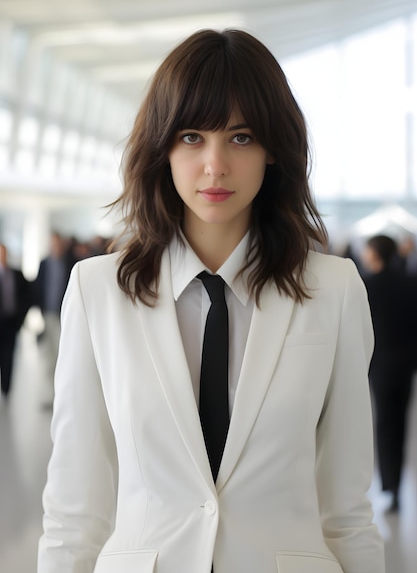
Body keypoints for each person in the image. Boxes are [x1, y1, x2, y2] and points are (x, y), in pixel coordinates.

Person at [38, 29, 384, 573]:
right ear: (162, 147)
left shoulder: (333, 290)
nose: (215, 166)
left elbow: (347, 512)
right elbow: (74, 512)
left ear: (273, 149)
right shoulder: (98, 289)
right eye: (193, 137)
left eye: (241, 137)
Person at [361, 234, 417, 513]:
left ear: (375, 253)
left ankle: (391, 486)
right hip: (405, 365)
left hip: (380, 364)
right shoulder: (410, 282)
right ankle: (396, 490)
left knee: (384, 425)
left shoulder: (367, 285)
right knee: (401, 423)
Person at [34, 232, 74, 407]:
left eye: (58, 243)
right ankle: (52, 395)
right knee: (49, 356)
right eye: (53, 244)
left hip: (64, 316)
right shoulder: (44, 264)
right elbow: (38, 287)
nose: (55, 247)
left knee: (63, 355)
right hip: (48, 315)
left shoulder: (70, 263)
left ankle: (64, 397)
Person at [0, 243, 32, 398]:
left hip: (11, 322)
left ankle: (6, 388)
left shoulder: (17, 274)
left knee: (8, 356)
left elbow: (27, 297)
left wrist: (21, 318)